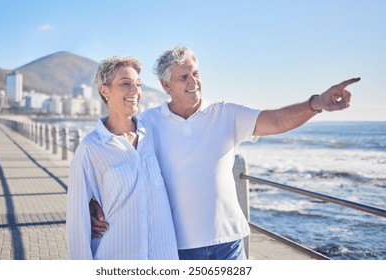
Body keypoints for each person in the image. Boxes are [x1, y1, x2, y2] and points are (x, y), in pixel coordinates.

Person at [89, 46, 360, 260]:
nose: (193, 81)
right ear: (166, 85)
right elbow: (114, 154)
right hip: (175, 248)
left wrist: (316, 103)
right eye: (183, 77)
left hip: (228, 245)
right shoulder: (148, 122)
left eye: (195, 73)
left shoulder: (226, 114)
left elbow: (276, 120)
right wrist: (95, 200)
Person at [66, 56, 178, 260]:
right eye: (125, 84)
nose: (135, 91)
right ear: (105, 90)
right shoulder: (91, 148)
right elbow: (77, 224)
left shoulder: (154, 134)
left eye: (138, 84)